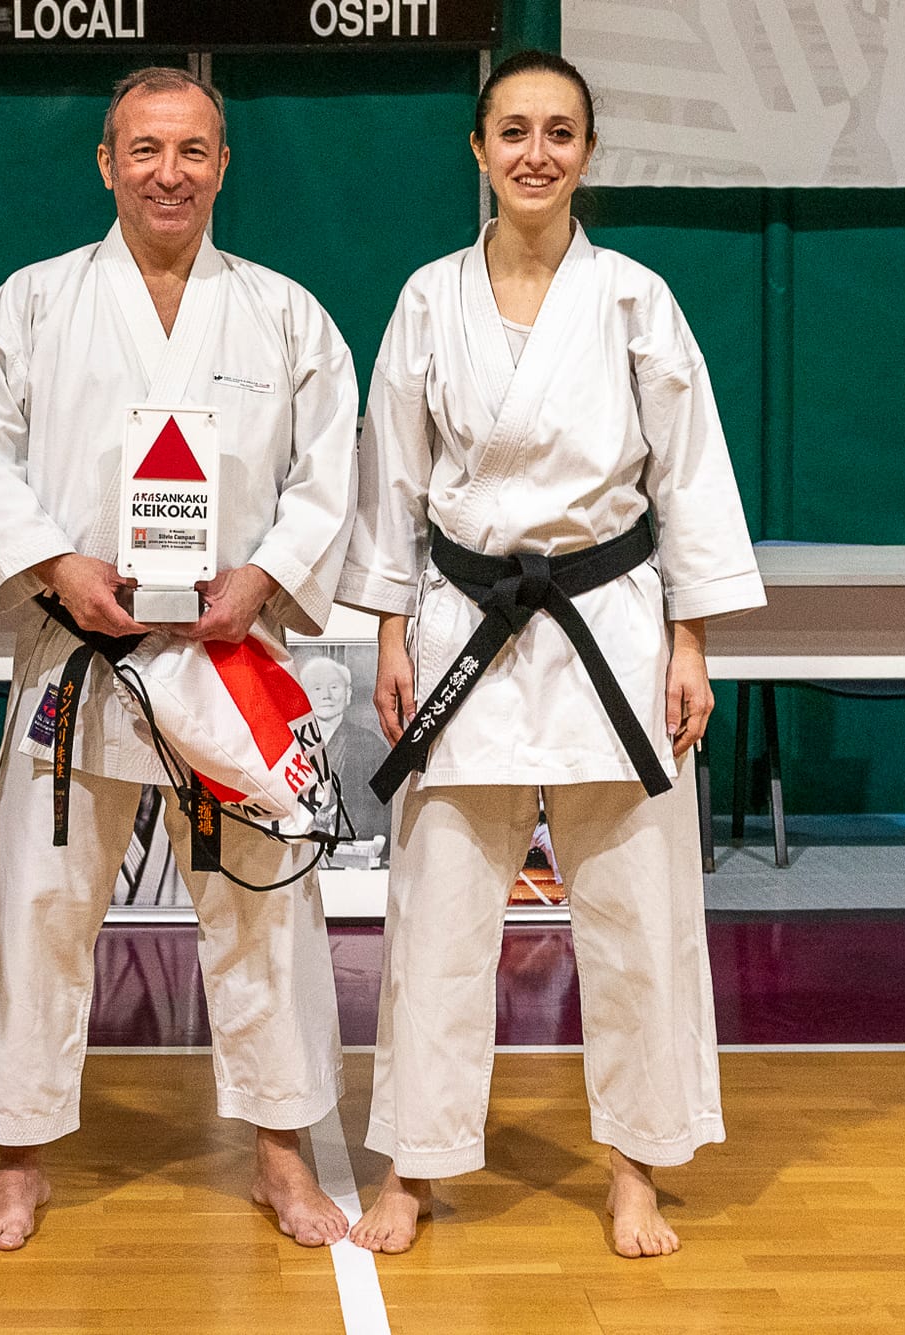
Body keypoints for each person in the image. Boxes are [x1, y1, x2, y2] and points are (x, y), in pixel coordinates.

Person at [336, 50, 764, 1258]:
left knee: (637, 916)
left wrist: (689, 642)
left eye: (558, 133)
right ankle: (413, 1167)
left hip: (608, 628)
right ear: (477, 149)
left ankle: (634, 1166)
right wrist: (385, 633)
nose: (535, 152)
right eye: (514, 131)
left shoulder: (633, 298)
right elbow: (391, 476)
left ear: (586, 153)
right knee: (436, 918)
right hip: (461, 627)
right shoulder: (428, 298)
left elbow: (687, 476)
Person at [0, 66, 360, 1252]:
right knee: (37, 903)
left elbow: (328, 473)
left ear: (222, 166)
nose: (166, 172)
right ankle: (18, 1158)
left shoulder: (284, 315)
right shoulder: (30, 305)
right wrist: (51, 562)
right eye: (143, 149)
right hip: (79, 647)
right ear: (105, 163)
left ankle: (279, 1152)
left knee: (261, 907)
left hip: (229, 656)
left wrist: (264, 578)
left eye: (190, 151)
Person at [297, 655, 392, 853]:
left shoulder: (371, 745)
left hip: (355, 848)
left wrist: (378, 840)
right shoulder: (289, 745)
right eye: (317, 688)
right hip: (300, 847)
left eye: (334, 687)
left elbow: (386, 805)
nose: (326, 696)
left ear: (348, 694)